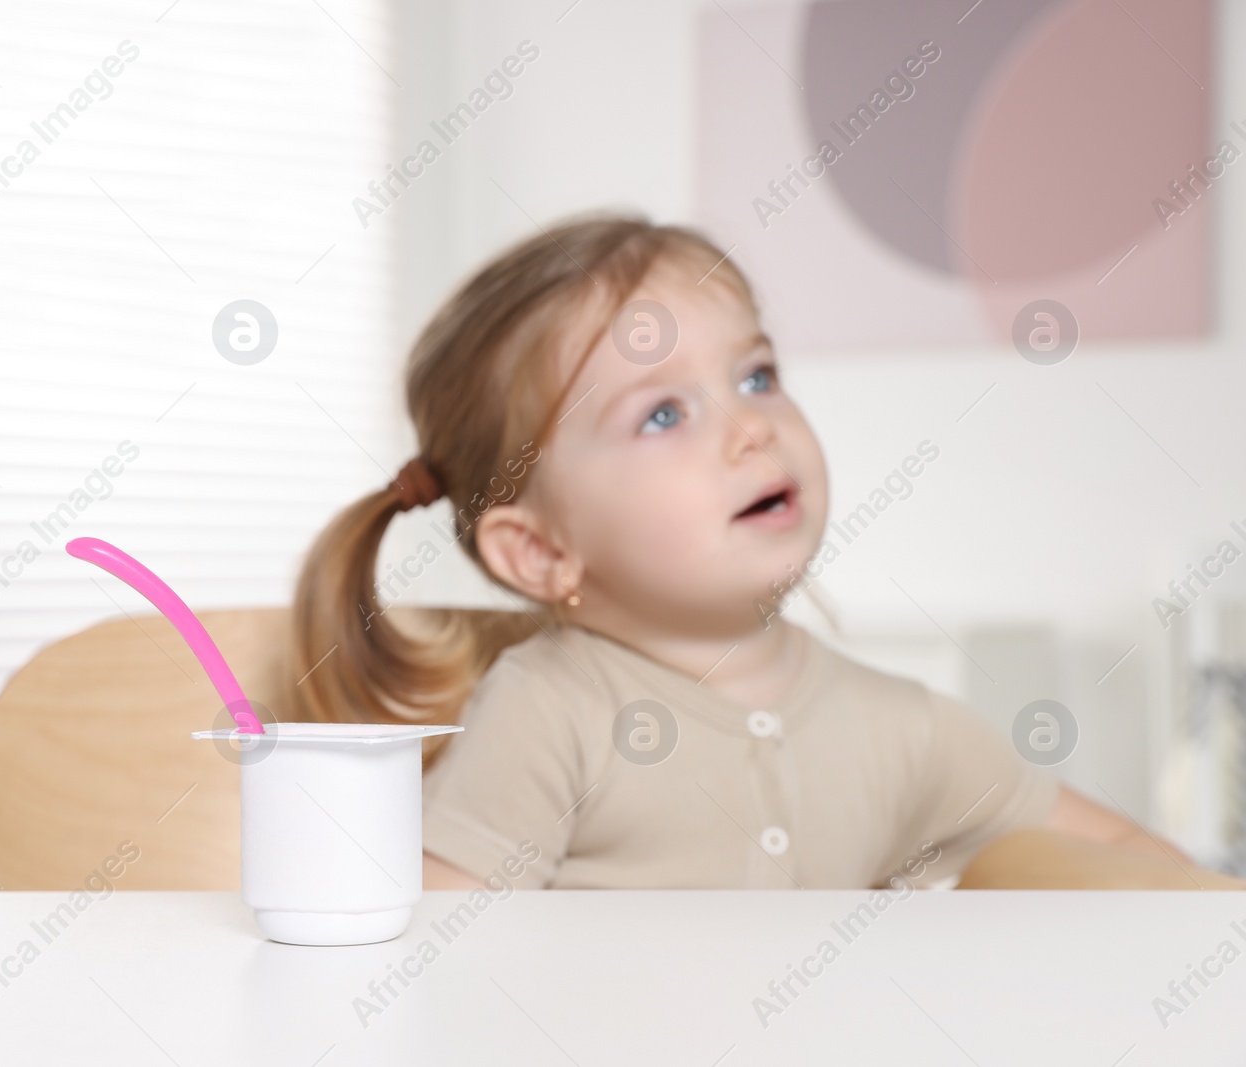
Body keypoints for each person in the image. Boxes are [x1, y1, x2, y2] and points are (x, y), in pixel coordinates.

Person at [289, 215, 1235, 892]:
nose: (750, 428)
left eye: (757, 375)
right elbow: (438, 983)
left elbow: (1138, 870)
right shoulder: (547, 716)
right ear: (540, 551)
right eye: (663, 412)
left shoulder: (907, 730)